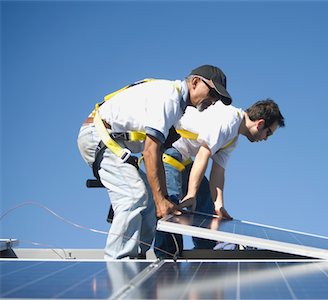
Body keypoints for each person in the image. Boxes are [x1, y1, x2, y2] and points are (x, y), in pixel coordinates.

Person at [77, 65, 233, 259]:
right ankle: (119, 263)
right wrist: (161, 202)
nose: (214, 100)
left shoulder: (178, 108)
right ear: (195, 82)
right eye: (212, 92)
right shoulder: (169, 97)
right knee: (134, 195)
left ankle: (137, 258)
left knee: (150, 199)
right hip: (98, 138)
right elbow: (150, 151)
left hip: (112, 141)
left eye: (218, 98)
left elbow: (157, 154)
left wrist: (163, 198)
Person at [154, 99, 285, 258]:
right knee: (172, 206)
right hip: (168, 151)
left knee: (206, 200)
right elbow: (203, 154)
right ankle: (166, 257)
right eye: (268, 132)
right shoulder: (228, 120)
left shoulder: (233, 138)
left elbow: (218, 171)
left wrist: (219, 205)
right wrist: (191, 194)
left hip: (184, 158)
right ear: (260, 123)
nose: (266, 138)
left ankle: (206, 250)